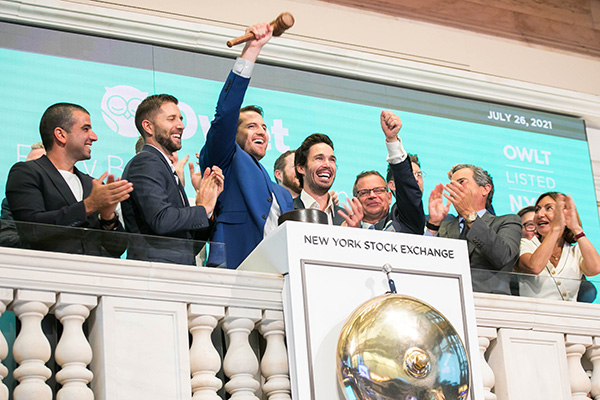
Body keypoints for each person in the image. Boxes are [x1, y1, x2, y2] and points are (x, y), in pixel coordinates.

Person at [198, 23, 294, 269]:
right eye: (251, 126)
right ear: (235, 133)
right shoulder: (226, 159)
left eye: (263, 127)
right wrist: (252, 50)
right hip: (233, 269)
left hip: (277, 278)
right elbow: (227, 112)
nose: (261, 130)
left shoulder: (282, 194)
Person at [5, 103, 133, 256]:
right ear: (61, 135)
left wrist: (107, 217)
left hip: (93, 275)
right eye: (85, 129)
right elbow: (32, 230)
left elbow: (117, 249)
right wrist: (89, 205)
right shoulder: (27, 172)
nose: (94, 137)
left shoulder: (91, 184)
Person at [122, 94, 224, 265]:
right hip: (154, 275)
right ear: (148, 126)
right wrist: (202, 208)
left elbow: (189, 243)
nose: (181, 125)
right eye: (171, 119)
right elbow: (161, 219)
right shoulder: (146, 162)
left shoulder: (165, 167)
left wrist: (209, 208)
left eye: (181, 119)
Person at [426, 163, 521, 294]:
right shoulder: (444, 226)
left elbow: (502, 257)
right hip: (446, 299)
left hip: (489, 304)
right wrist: (433, 224)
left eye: (461, 182)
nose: (455, 189)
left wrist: (469, 215)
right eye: (452, 185)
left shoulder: (508, 221)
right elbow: (426, 264)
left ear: (485, 189)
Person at [515, 192, 600, 301]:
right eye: (537, 209)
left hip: (570, 317)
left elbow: (595, 268)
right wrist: (556, 229)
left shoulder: (575, 251)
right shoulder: (525, 244)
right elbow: (535, 267)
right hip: (533, 316)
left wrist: (576, 228)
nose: (540, 214)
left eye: (548, 208)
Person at [353, 110, 424, 233]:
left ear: (390, 197)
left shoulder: (406, 223)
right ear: (355, 201)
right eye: (364, 192)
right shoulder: (344, 229)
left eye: (378, 190)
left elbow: (409, 195)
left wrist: (392, 140)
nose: (372, 196)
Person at [294, 133, 362, 226]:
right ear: (301, 168)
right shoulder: (286, 210)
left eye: (332, 160)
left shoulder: (347, 219)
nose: (327, 165)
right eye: (319, 158)